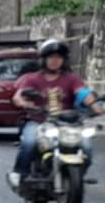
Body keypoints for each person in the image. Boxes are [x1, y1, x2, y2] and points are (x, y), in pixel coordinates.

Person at [9, 38, 99, 189]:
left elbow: (83, 93)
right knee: (29, 143)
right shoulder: (33, 78)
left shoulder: (72, 79)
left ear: (64, 60)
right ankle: (19, 173)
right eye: (51, 57)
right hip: (38, 121)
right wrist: (24, 103)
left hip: (68, 123)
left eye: (58, 57)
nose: (55, 61)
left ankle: (74, 178)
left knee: (87, 147)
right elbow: (18, 96)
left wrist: (95, 106)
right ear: (44, 59)